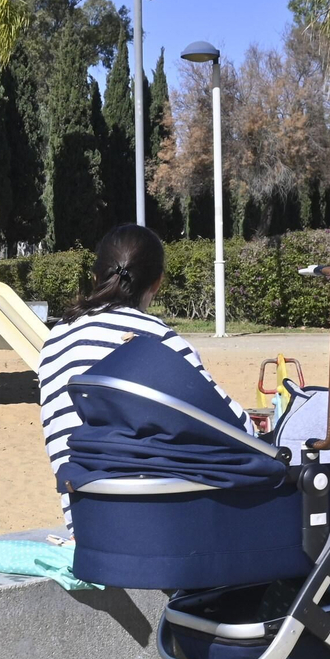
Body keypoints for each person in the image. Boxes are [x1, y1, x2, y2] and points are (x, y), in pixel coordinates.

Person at [38, 224, 255, 531]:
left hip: (85, 521)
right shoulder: (157, 339)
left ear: (95, 276)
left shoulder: (55, 339)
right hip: (158, 526)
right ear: (157, 283)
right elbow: (241, 430)